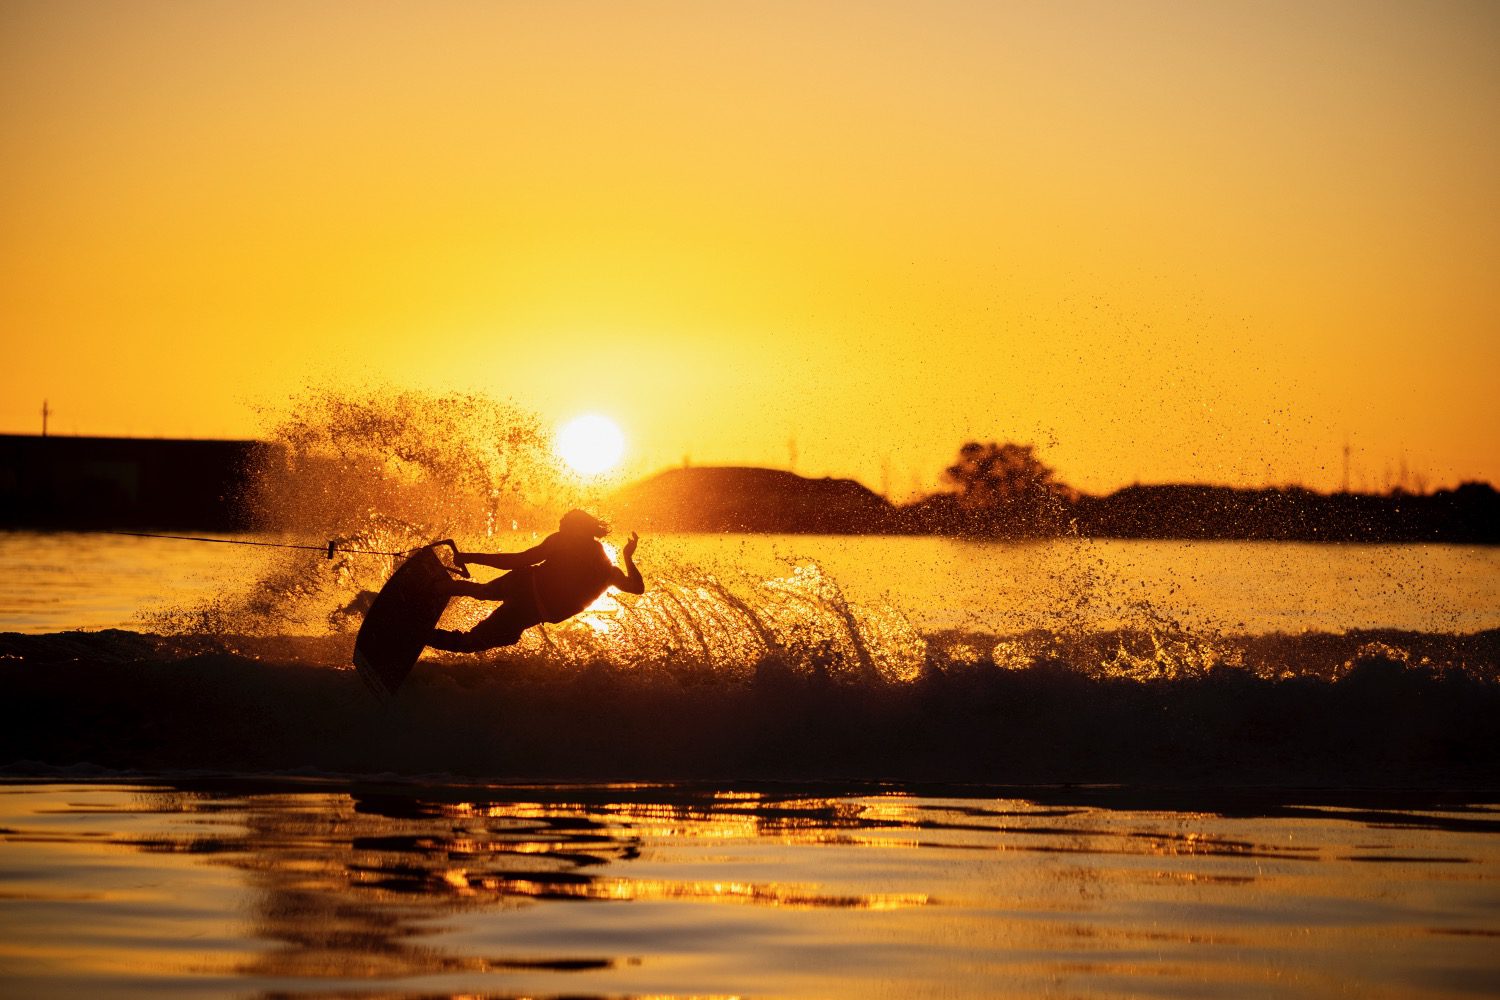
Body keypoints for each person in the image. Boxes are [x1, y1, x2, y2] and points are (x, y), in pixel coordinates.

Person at [426, 509, 643, 652]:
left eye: (566, 526)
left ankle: (434, 598)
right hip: (524, 589)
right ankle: (433, 598)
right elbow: (518, 561)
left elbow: (637, 588)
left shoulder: (598, 565)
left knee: (481, 595)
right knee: (479, 604)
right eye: (562, 527)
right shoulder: (606, 569)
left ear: (579, 530)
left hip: (526, 604)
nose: (561, 530)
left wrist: (627, 557)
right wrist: (471, 557)